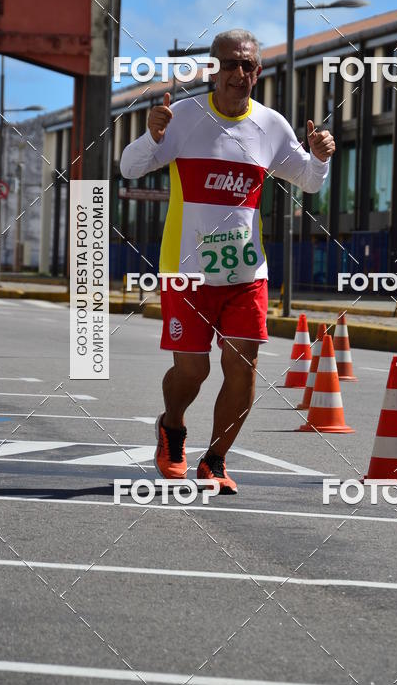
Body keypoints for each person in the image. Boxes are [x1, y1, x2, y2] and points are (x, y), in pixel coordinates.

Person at [120, 29, 334, 494]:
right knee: (193, 371)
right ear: (213, 69)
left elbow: (310, 181)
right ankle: (171, 425)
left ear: (258, 72)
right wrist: (151, 135)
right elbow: (130, 167)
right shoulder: (184, 117)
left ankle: (215, 459)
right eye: (231, 65)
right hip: (187, 271)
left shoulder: (271, 126)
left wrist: (318, 159)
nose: (240, 74)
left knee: (243, 365)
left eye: (249, 66)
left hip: (244, 273)